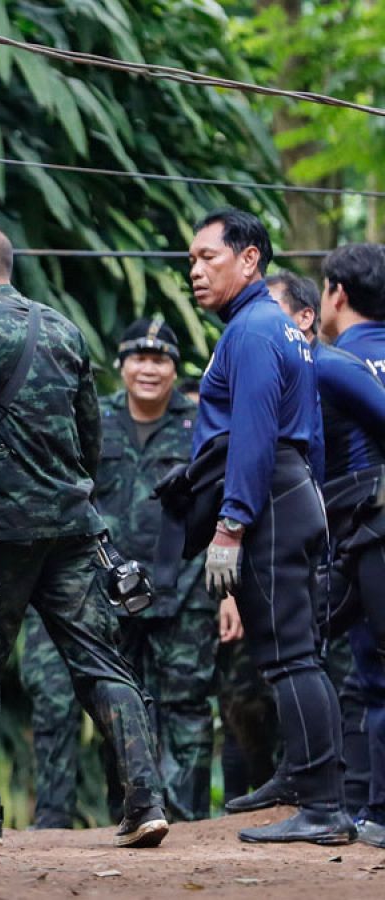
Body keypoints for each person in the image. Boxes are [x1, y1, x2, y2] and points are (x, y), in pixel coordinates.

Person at [0, 218, 167, 848]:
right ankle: (146, 801)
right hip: (72, 527)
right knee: (102, 664)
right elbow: (90, 434)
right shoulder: (62, 326)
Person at [180, 208, 351, 844]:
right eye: (192, 260)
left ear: (249, 259)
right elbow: (307, 437)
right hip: (296, 492)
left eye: (207, 257)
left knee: (290, 659)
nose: (195, 270)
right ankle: (310, 785)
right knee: (299, 655)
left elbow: (253, 433)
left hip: (270, 498)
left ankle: (325, 808)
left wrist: (231, 525)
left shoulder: (251, 331)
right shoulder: (282, 329)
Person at [21, 319, 215, 824]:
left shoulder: (201, 426)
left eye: (161, 359)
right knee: (119, 705)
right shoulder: (96, 420)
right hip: (109, 592)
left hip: (185, 590)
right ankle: (129, 811)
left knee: (186, 706)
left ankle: (190, 819)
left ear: (175, 369)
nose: (148, 369)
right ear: (122, 365)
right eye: (138, 358)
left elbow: (218, 503)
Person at [253, 272, 369, 819]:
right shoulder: (287, 374)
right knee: (302, 648)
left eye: (271, 312)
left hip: (361, 530)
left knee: (324, 658)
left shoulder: (329, 365)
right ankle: (299, 776)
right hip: (322, 534)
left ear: (306, 317)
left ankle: (337, 802)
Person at [309, 244, 385, 848]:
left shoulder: (330, 364)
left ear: (336, 293)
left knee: (373, 673)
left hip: (366, 529)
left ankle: (376, 811)